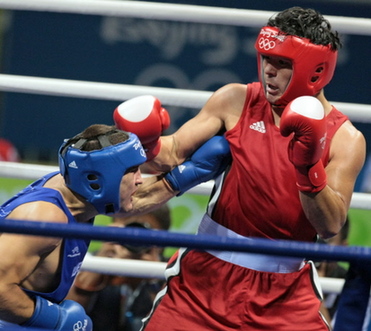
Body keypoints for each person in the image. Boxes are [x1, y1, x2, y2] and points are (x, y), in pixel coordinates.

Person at [113, 6, 366, 331]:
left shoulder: (346, 139)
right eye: (266, 59)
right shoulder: (236, 99)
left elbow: (330, 224)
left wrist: (307, 167)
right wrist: (145, 140)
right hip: (203, 282)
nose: (269, 71)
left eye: (283, 64)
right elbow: (171, 153)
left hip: (284, 294)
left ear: (315, 71)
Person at [0, 123, 230, 330]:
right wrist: (55, 319)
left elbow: (132, 199)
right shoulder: (44, 217)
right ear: (98, 181)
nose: (140, 179)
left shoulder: (74, 188)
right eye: (132, 171)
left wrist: (187, 174)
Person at [67, 205, 172, 331]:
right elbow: (68, 318)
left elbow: (171, 322)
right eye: (129, 229)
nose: (135, 238)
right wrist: (101, 262)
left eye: (145, 233)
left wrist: (154, 279)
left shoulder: (171, 270)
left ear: (162, 238)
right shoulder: (89, 261)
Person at [316, 217, 350, 325]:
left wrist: (315, 287)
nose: (317, 247)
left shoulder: (350, 285)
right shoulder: (287, 274)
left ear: (343, 248)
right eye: (313, 238)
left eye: (327, 241)